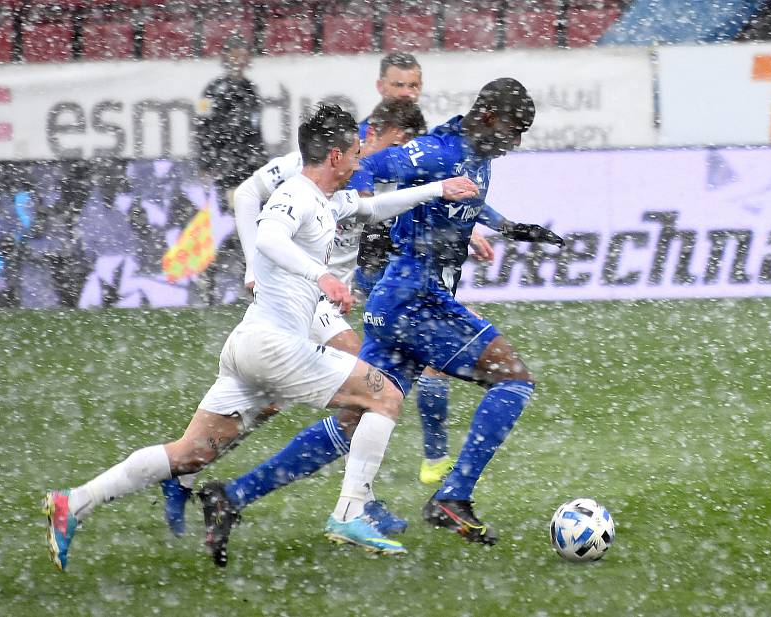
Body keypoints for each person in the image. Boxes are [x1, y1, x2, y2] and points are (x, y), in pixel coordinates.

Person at [44, 104, 479, 571]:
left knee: (190, 453)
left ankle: (75, 503)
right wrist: (323, 277)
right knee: (385, 396)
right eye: (354, 151)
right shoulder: (294, 194)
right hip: (275, 345)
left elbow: (371, 207)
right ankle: (350, 511)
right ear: (334, 156)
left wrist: (437, 189)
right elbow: (271, 237)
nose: (360, 160)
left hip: (249, 344)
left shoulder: (327, 198)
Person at [159, 98, 429, 539]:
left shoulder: (375, 176)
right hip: (304, 295)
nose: (404, 153)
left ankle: (192, 476)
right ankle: (353, 506)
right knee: (375, 390)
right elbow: (247, 194)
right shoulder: (312, 166)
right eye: (400, 142)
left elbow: (377, 223)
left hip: (320, 297)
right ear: (373, 132)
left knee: (262, 405)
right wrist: (252, 264)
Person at [355, 78, 565, 545]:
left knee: (360, 411)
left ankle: (236, 494)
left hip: (407, 296)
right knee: (513, 378)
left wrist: (507, 226)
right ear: (489, 117)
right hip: (415, 295)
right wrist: (364, 211)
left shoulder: (475, 155)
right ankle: (453, 492)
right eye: (513, 132)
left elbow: (465, 194)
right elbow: (366, 164)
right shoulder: (435, 152)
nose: (515, 144)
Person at [356, 52, 496, 486]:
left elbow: (429, 191)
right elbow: (361, 194)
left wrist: (469, 226)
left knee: (386, 378)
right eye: (399, 86)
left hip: (408, 263)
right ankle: (430, 462)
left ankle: (368, 482)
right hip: (380, 264)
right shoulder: (368, 138)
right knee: (408, 369)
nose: (407, 93)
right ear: (380, 86)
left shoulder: (416, 135)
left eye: (413, 86)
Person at [195, 34, 266, 212]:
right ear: (226, 57)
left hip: (249, 163)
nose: (239, 61)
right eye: (235, 55)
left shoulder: (251, 90)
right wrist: (205, 163)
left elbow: (256, 129)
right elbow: (202, 126)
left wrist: (261, 160)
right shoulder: (212, 89)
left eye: (243, 56)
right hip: (225, 164)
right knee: (232, 212)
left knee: (252, 211)